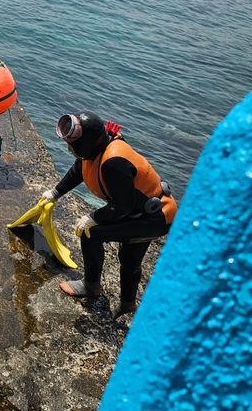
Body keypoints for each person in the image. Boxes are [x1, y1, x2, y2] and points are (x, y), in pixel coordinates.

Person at [42, 112, 178, 318]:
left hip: (154, 218)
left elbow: (121, 207)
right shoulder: (96, 149)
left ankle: (91, 286)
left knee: (91, 233)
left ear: (88, 142)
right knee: (129, 259)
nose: (69, 149)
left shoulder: (113, 162)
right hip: (150, 213)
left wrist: (93, 217)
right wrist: (55, 193)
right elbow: (80, 169)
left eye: (73, 145)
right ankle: (127, 304)